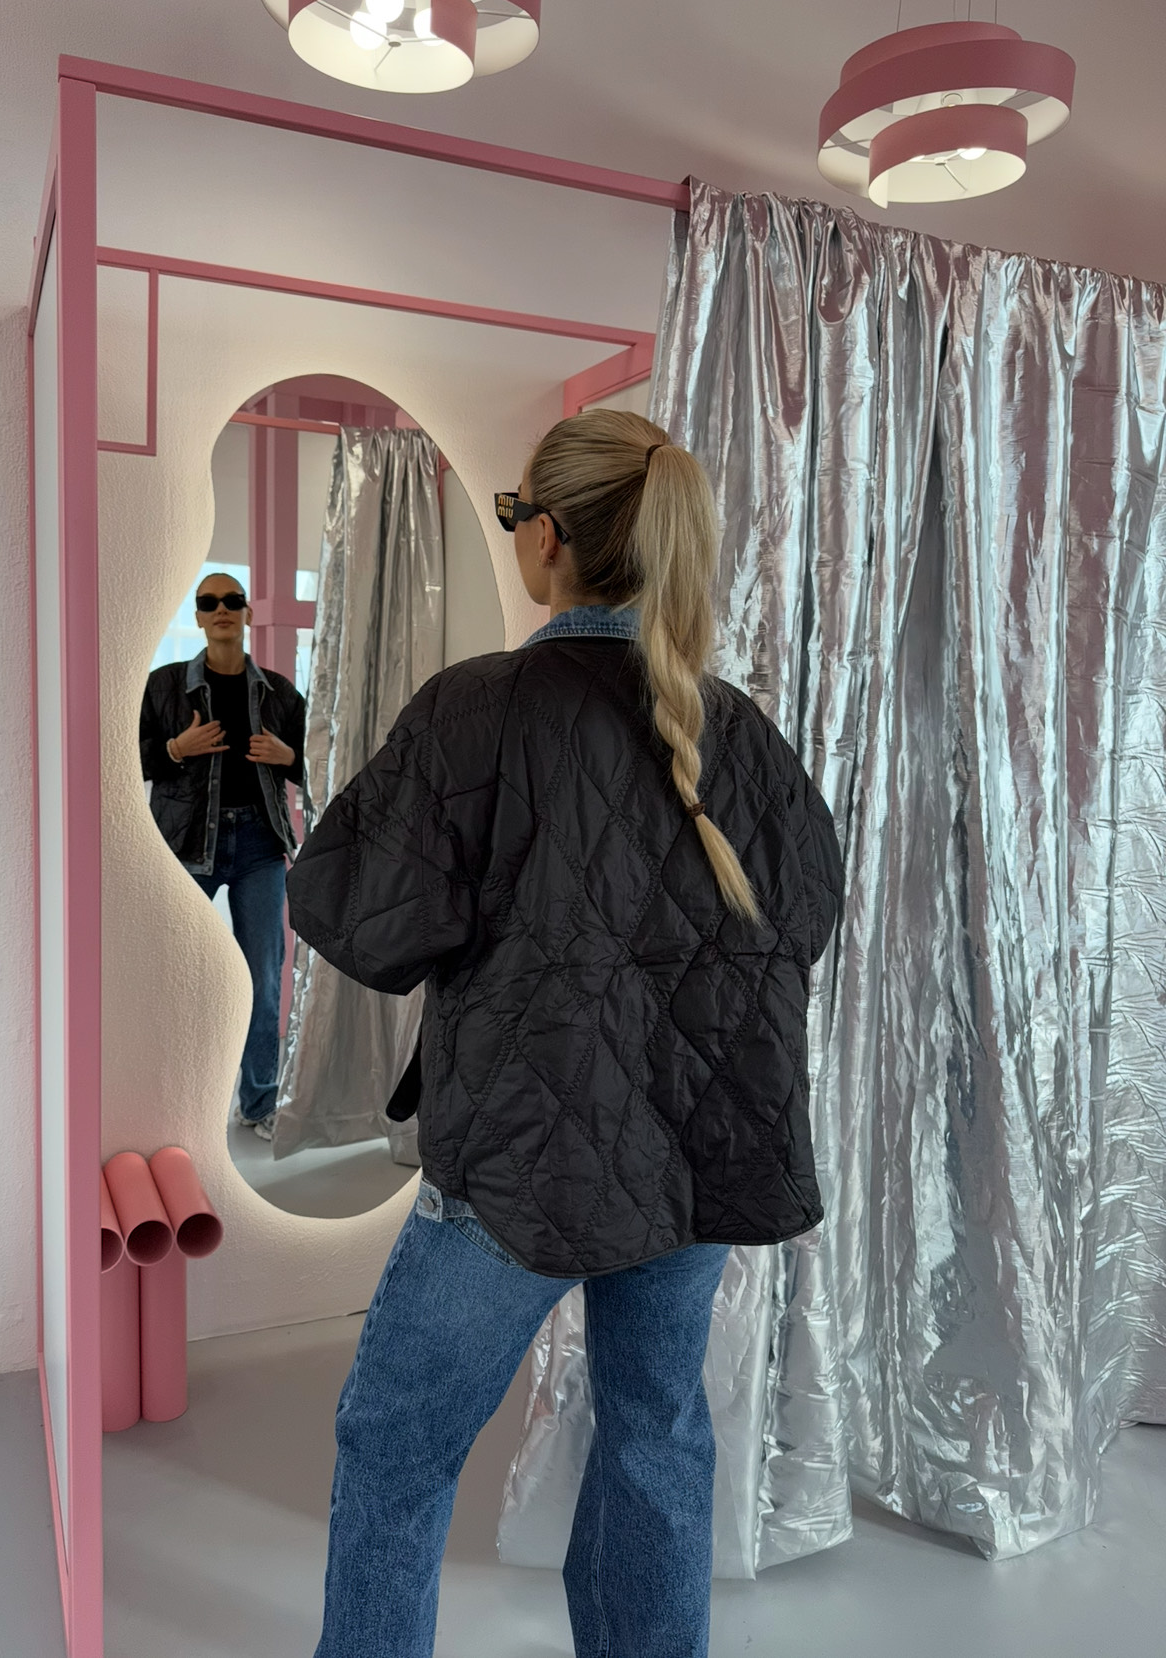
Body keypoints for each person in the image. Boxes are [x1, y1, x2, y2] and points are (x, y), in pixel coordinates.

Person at [285, 410, 843, 1658]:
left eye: (512, 515)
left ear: (547, 536)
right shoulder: (737, 729)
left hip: (518, 1159)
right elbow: (804, 914)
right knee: (656, 1435)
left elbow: (362, 916)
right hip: (694, 1159)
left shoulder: (476, 711)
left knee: (396, 1447)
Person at [140, 572, 306, 1135]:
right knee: (177, 975)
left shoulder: (279, 693)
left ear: (247, 613)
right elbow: (127, 757)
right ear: (198, 616)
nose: (222, 610)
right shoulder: (165, 686)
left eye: (232, 600)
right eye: (209, 602)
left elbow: (320, 762)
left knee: (263, 978)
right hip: (188, 844)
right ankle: (174, 1105)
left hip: (260, 845)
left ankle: (258, 1103)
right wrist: (175, 748)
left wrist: (289, 758)